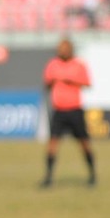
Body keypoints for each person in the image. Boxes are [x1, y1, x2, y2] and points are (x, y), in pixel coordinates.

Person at [41, 38, 95, 187]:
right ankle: (48, 178)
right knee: (52, 144)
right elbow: (46, 84)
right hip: (59, 111)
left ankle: (92, 175)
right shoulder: (53, 64)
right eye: (60, 48)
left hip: (75, 110)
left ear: (70, 49)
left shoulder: (78, 65)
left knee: (84, 143)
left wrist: (71, 80)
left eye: (64, 48)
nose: (62, 51)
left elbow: (87, 83)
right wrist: (52, 81)